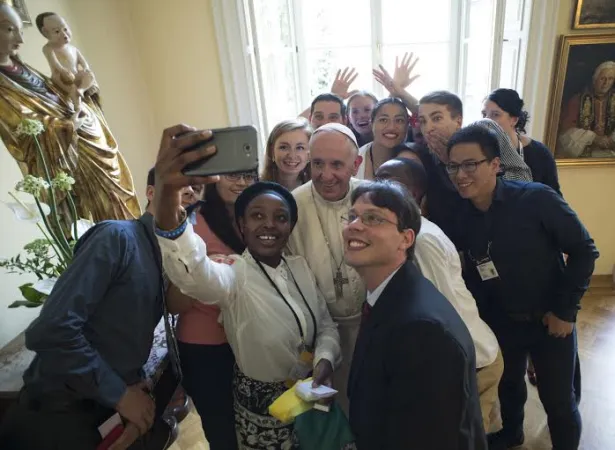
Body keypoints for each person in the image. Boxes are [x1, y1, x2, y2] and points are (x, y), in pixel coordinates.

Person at [153, 124, 341, 450]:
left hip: (308, 394)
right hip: (263, 412)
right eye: (257, 215)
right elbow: (195, 272)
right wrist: (167, 195)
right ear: (242, 225)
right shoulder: (234, 274)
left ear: (290, 226)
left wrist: (324, 359)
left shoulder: (298, 266)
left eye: (280, 217)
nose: (269, 224)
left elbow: (324, 324)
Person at [0, 171, 195, 450]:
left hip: (103, 415)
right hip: (58, 419)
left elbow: (120, 335)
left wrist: (130, 388)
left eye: (198, 190)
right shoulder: (117, 238)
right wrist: (120, 395)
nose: (190, 195)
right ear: (151, 192)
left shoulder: (166, 257)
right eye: (181, 187)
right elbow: (52, 331)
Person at [446, 125, 599, 450]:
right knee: (509, 386)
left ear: (495, 165)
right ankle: (512, 433)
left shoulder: (536, 199)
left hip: (550, 319)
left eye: (470, 164)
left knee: (558, 401)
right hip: (501, 320)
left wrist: (564, 310)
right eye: (454, 166)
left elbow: (585, 250)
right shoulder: (461, 215)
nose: (461, 174)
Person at [344, 180, 486, 449]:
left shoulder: (422, 330)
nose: (354, 225)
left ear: (406, 238)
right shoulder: (388, 294)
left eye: (373, 218)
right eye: (352, 216)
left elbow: (427, 437)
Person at [375, 157, 504, 432]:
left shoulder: (421, 240)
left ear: (415, 192)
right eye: (377, 179)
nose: (380, 189)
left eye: (391, 183)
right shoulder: (405, 234)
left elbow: (441, 312)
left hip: (472, 363)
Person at [0, 4, 141, 227]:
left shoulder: (23, 68)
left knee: (119, 194)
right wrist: (66, 126)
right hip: (70, 151)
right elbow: (23, 133)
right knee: (102, 212)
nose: (20, 38)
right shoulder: (3, 87)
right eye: (9, 29)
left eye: (20, 29)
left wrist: (85, 90)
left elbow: (60, 95)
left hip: (90, 134)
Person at [168, 171, 257, 450]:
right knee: (223, 434)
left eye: (249, 175)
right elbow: (172, 303)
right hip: (206, 345)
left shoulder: (262, 214)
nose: (241, 183)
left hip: (252, 339)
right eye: (232, 175)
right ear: (213, 177)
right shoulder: (190, 221)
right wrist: (200, 272)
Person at [288, 122, 364, 414]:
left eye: (337, 164)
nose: (326, 175)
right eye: (317, 163)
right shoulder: (293, 205)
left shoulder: (370, 199)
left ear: (356, 165)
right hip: (319, 329)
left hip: (368, 325)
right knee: (330, 407)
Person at [415, 90, 531, 238]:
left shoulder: (485, 132)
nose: (428, 128)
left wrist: (455, 164)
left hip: (508, 233)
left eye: (437, 118)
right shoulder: (425, 158)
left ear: (458, 121)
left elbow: (523, 181)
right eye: (423, 121)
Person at [483, 88, 560, 194]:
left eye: (495, 115)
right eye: (484, 115)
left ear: (514, 119)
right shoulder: (480, 151)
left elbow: (554, 197)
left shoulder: (540, 154)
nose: (487, 120)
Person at [36, 12, 96, 113]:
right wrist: (63, 70)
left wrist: (85, 69)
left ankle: (81, 89)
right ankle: (78, 108)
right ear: (45, 33)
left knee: (90, 75)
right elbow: (54, 63)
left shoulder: (73, 48)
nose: (64, 34)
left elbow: (83, 62)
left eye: (65, 29)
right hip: (61, 77)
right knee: (72, 89)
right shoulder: (48, 49)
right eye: (57, 31)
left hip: (75, 75)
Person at [558, 60, 615, 158]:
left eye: (610, 79)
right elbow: (565, 133)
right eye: (602, 78)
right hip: (585, 153)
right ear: (594, 79)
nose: (606, 83)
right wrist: (593, 138)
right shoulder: (577, 100)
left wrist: (611, 140)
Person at [356, 97, 409, 180]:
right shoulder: (354, 158)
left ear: (407, 126)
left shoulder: (412, 160)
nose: (391, 127)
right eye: (383, 120)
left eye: (399, 120)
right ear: (372, 123)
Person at [260, 118, 312, 191]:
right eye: (283, 147)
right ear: (272, 151)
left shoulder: (317, 190)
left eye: (300, 148)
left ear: (310, 154)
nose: (292, 155)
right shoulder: (257, 189)